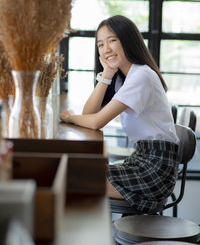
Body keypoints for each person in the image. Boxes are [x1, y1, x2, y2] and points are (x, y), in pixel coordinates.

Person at [60, 15, 180, 213]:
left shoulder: (141, 75)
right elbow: (89, 114)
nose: (106, 49)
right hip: (142, 159)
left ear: (128, 40)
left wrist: (69, 117)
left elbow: (95, 121)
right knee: (75, 175)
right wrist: (106, 74)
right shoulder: (123, 77)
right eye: (100, 44)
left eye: (112, 40)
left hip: (155, 169)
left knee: (74, 177)